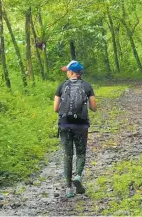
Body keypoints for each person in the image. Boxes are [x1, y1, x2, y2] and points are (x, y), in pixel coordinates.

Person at [54, 60, 97, 198]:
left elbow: (56, 109)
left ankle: (68, 188)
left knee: (67, 155)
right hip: (81, 125)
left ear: (72, 72)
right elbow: (94, 107)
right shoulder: (87, 86)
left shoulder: (61, 86)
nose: (66, 72)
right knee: (80, 154)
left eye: (67, 70)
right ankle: (78, 176)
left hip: (65, 125)